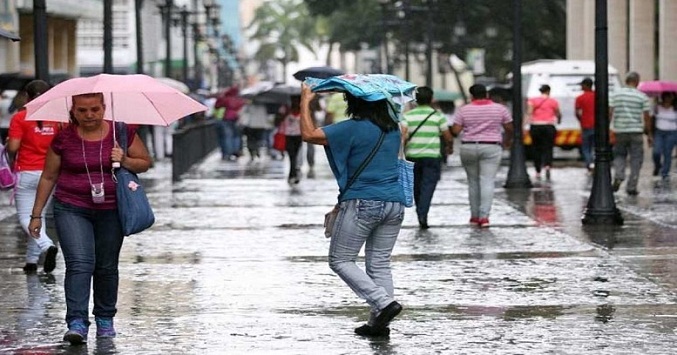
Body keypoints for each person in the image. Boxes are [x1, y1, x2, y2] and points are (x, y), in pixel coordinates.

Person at [28, 92, 152, 344]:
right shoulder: (63, 138)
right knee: (79, 264)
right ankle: (76, 322)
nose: (89, 115)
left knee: (106, 266)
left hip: (111, 210)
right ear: (72, 110)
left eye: (95, 109)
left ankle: (105, 319)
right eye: (82, 110)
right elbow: (49, 176)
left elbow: (145, 163)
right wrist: (36, 214)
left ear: (104, 107)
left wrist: (124, 159)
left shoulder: (121, 132)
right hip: (71, 207)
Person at [299, 83, 406, 338]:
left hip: (363, 202)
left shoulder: (352, 128)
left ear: (354, 103)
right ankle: (378, 325)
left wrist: (305, 101)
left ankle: (383, 303)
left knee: (340, 260)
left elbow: (309, 135)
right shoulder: (395, 130)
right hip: (395, 203)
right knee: (379, 264)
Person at [6, 80, 60, 274]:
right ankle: (31, 261)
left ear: (27, 97)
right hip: (51, 174)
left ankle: (46, 246)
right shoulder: (58, 120)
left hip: (26, 172)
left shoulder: (20, 118)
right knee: (39, 215)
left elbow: (13, 148)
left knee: (25, 216)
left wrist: (8, 142)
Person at [451, 84, 513, 228]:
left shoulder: (464, 110)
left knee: (472, 182)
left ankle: (474, 216)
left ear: (471, 95)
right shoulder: (500, 109)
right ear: (486, 94)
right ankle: (484, 217)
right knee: (487, 181)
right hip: (491, 146)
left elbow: (455, 130)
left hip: (468, 147)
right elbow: (509, 128)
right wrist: (506, 141)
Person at [401, 87, 453, 229]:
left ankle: (420, 210)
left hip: (412, 156)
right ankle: (423, 213)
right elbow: (448, 136)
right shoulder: (438, 116)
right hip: (432, 156)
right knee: (428, 185)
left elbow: (403, 137)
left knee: (416, 186)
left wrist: (400, 152)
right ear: (431, 99)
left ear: (416, 100)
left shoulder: (408, 116)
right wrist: (449, 147)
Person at [610, 72, 652, 195]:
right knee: (636, 159)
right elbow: (646, 117)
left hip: (619, 131)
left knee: (619, 155)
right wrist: (649, 134)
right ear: (637, 81)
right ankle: (632, 185)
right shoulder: (642, 96)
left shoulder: (616, 95)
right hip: (636, 132)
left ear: (626, 80)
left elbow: (610, 112)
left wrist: (608, 128)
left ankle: (619, 175)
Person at [526, 84, 561, 180]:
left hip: (536, 125)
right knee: (548, 147)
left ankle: (537, 170)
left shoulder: (532, 100)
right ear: (548, 91)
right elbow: (558, 113)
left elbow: (529, 112)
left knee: (536, 148)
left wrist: (525, 124)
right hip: (549, 125)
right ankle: (547, 166)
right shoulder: (553, 101)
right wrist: (558, 120)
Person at [650, 91, 677, 182]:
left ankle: (665, 173)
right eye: (667, 96)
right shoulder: (657, 107)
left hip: (672, 132)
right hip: (659, 132)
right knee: (656, 152)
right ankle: (658, 166)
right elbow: (651, 119)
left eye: (670, 96)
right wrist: (650, 133)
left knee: (667, 153)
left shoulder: (675, 108)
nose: (668, 98)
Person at [214, 86, 245, 161]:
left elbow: (217, 106)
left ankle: (227, 153)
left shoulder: (226, 99)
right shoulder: (240, 100)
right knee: (236, 136)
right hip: (237, 118)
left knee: (227, 136)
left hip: (226, 118)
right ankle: (236, 150)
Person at [280, 96, 303, 184]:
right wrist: (285, 113)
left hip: (299, 135)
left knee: (295, 155)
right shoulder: (285, 108)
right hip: (287, 135)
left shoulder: (303, 108)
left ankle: (293, 174)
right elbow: (277, 120)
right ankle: (293, 174)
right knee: (292, 155)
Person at [575, 77, 596, 172]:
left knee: (586, 147)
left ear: (585, 85)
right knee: (595, 146)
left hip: (586, 125)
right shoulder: (597, 96)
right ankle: (594, 162)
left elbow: (577, 112)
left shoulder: (580, 98)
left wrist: (581, 120)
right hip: (597, 125)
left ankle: (589, 164)